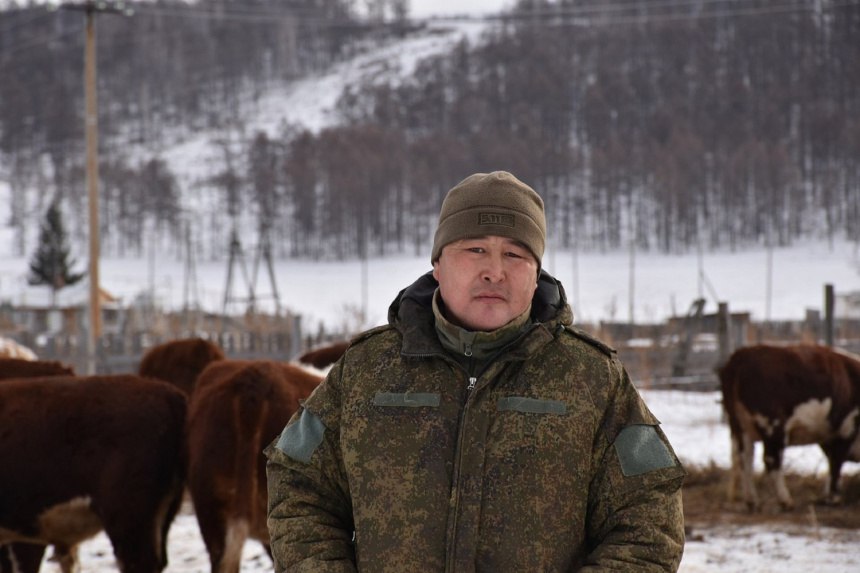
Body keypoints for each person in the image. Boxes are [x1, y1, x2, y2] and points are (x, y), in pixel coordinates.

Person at [265, 171, 686, 572]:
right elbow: (299, 487)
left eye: (515, 254)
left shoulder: (593, 378)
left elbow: (649, 520)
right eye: (475, 250)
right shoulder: (366, 370)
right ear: (438, 264)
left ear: (536, 273)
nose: (494, 271)